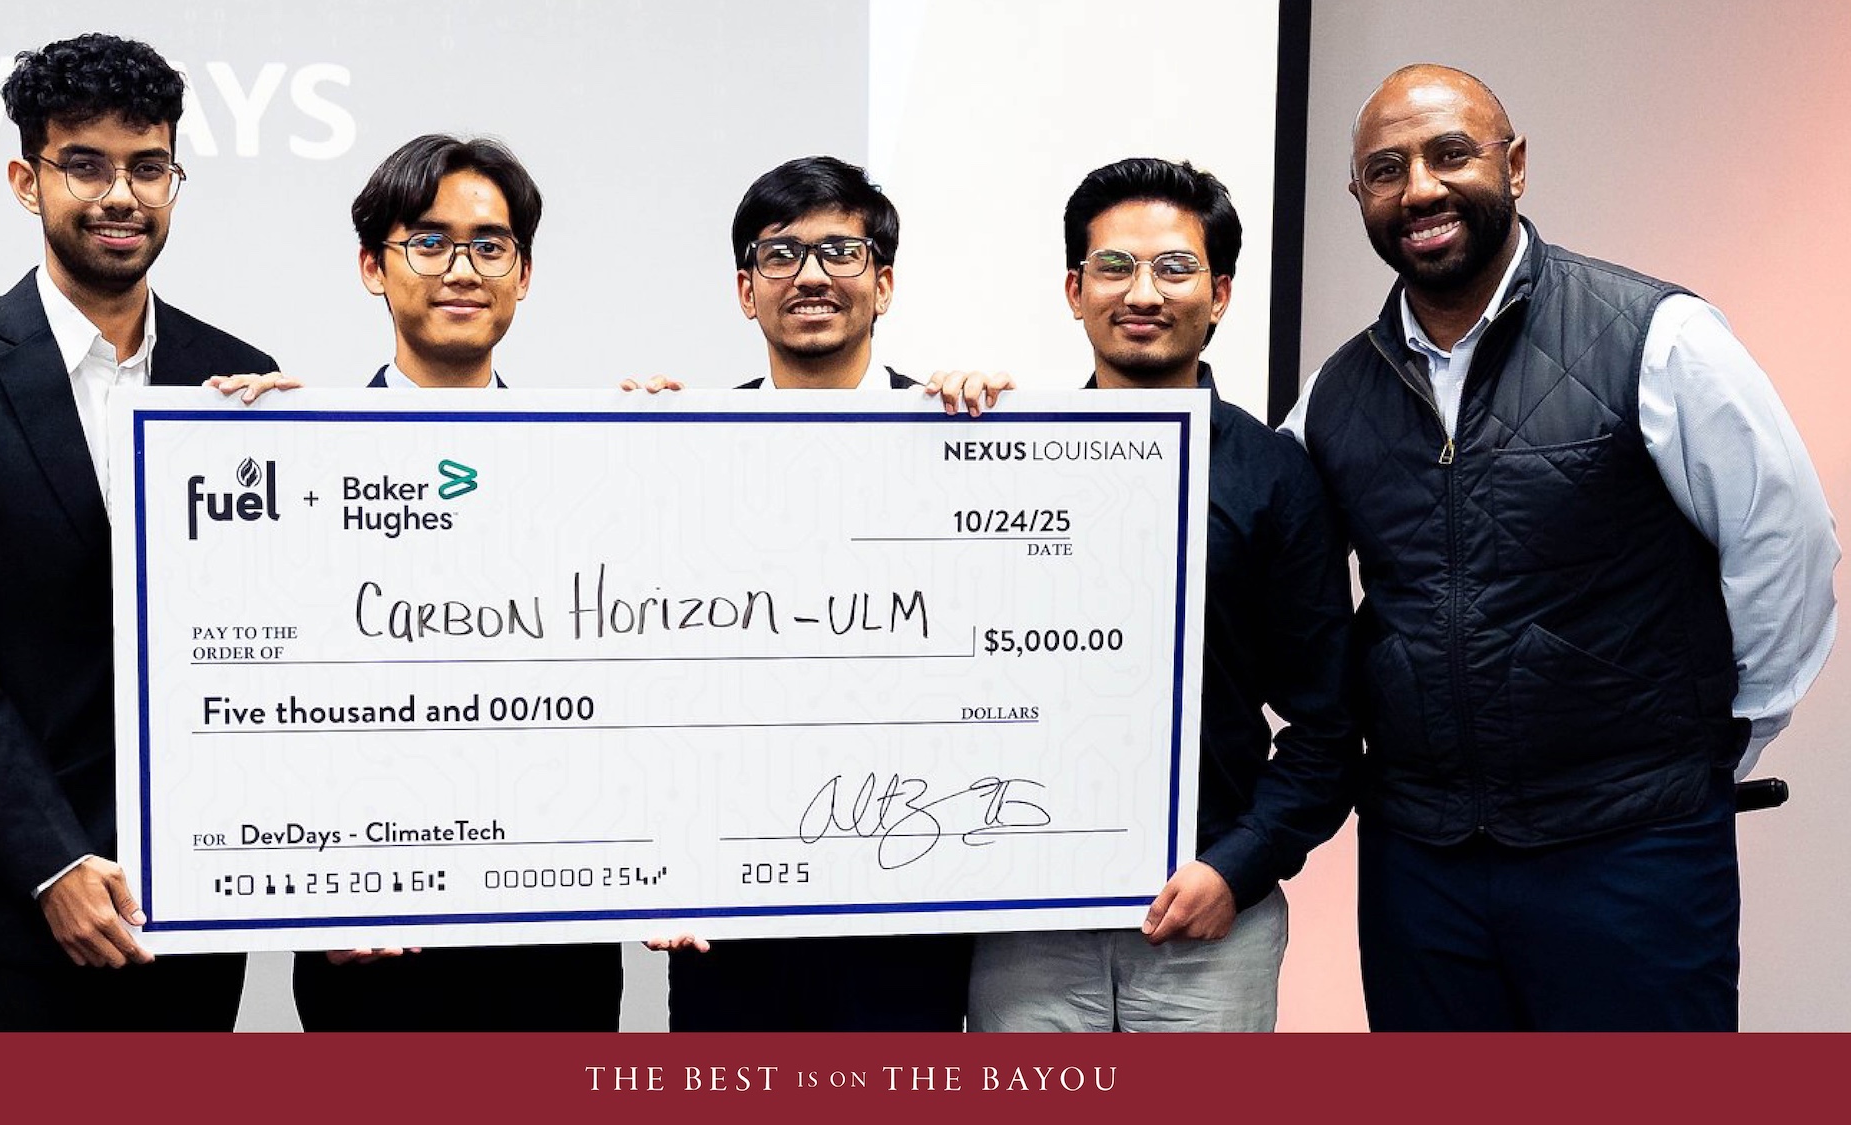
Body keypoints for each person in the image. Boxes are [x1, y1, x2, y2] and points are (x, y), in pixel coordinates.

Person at [1282, 64, 1839, 1031]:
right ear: (1359, 198)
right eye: (1386, 168)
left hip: (1632, 854)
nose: (1419, 188)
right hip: (1424, 868)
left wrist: (1723, 740)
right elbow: (1249, 548)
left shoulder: (1658, 337)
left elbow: (1786, 544)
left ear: (1516, 165)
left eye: (1450, 153)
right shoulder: (1335, 393)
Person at [0, 33, 275, 1030]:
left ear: (175, 176)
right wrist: (53, 861)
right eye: (84, 164)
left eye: (147, 166)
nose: (120, 195)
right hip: (5, 903)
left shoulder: (239, 381)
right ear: (26, 177)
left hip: (185, 897)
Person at [215, 134, 625, 1030]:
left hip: (554, 949)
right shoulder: (284, 456)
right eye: (428, 242)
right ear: (373, 265)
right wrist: (305, 893)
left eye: (491, 244)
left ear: (523, 273)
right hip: (366, 942)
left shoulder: (600, 468)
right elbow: (243, 701)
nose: (462, 270)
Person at [960, 158, 1358, 1032]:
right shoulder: (992, 454)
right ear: (1074, 289)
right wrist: (932, 428)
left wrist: (1241, 865)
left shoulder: (1277, 479)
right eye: (1114, 266)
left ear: (1218, 294)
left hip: (1210, 923)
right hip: (1025, 925)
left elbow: (1329, 725)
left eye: (1175, 268)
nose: (1143, 291)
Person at [642, 156, 976, 1030]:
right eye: (782, 254)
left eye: (841, 251)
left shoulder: (970, 442)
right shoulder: (676, 451)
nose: (814, 275)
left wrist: (1014, 439)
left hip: (913, 910)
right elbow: (639, 670)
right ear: (746, 291)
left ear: (886, 281)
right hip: (727, 923)